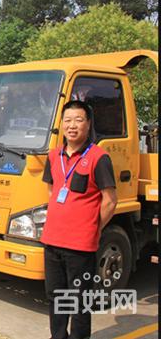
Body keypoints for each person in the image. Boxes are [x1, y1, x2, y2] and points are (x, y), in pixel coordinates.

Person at [41, 100, 117, 339]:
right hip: (52, 241)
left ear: (88, 124)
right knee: (56, 297)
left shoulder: (98, 157)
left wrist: (92, 228)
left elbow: (110, 201)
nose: (72, 126)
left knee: (79, 301)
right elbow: (52, 190)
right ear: (61, 124)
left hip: (80, 246)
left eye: (78, 120)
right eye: (67, 120)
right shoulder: (54, 156)